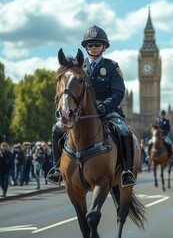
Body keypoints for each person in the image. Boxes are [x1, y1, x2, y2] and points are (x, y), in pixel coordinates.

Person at [47, 25, 136, 187]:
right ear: (86, 47)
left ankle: (127, 171)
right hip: (80, 112)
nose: (93, 48)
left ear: (104, 47)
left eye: (97, 45)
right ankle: (56, 168)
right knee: (56, 129)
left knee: (124, 131)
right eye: (90, 45)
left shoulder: (111, 67)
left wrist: (105, 106)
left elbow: (118, 92)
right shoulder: (78, 68)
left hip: (107, 111)